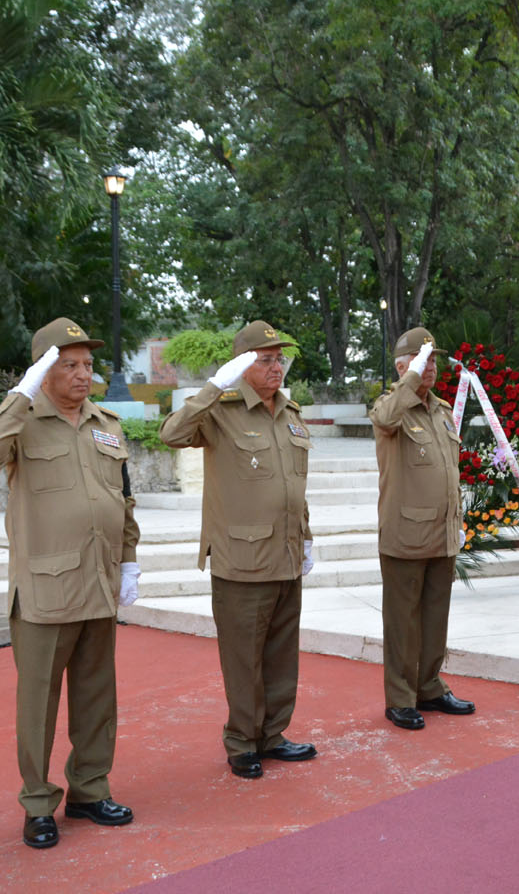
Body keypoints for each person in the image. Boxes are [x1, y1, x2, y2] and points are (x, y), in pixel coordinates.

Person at [0, 318, 140, 850]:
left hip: (99, 583)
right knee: (38, 702)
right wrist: (20, 394)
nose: (84, 374)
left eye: (87, 364)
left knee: (96, 697)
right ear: (44, 369)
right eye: (70, 364)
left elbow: (122, 499)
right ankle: (38, 803)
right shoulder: (21, 423)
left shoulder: (106, 423)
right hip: (44, 590)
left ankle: (89, 790)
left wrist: (129, 560)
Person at [157, 321, 318, 780]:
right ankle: (242, 741)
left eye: (278, 359)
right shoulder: (220, 410)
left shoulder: (290, 413)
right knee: (244, 657)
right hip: (242, 559)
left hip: (286, 554)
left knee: (282, 654)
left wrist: (305, 538)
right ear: (243, 365)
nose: (276, 367)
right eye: (265, 359)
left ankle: (272, 734)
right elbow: (171, 433)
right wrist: (213, 386)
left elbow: (294, 486)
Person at [370, 328, 473, 730]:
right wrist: (409, 379)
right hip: (405, 534)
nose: (431, 368)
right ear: (403, 366)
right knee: (402, 623)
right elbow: (384, 417)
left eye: (432, 360)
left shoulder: (440, 410)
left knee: (435, 618)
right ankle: (400, 697)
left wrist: (457, 522)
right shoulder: (392, 407)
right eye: (422, 361)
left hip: (442, 532)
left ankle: (429, 686)